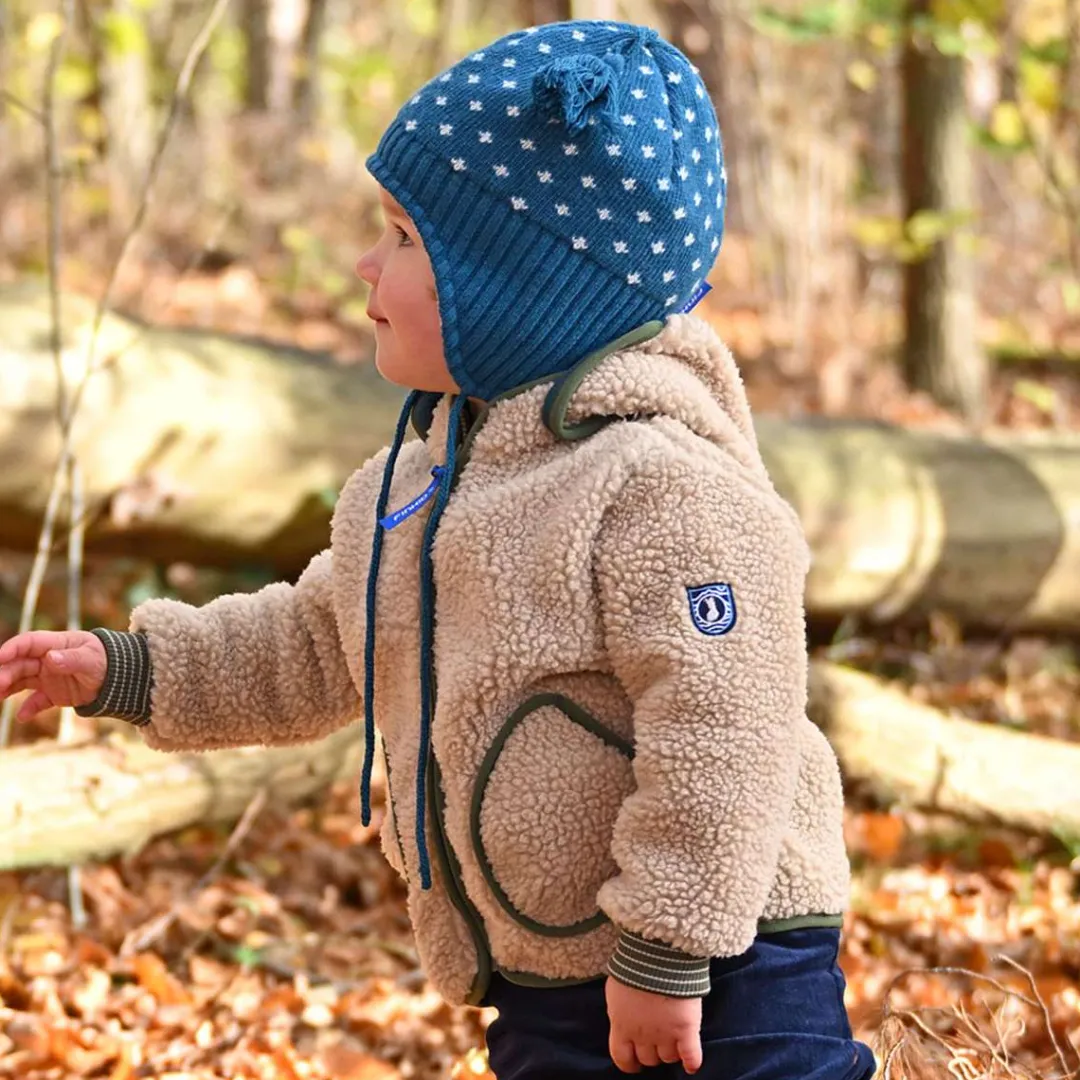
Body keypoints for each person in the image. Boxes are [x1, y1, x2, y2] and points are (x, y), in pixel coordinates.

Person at [0, 19, 877, 1080]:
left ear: (521, 284)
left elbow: (728, 727)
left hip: (729, 950)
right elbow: (317, 641)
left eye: (407, 240)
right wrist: (134, 669)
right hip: (544, 958)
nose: (366, 263)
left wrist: (667, 944)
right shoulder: (419, 484)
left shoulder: (662, 483)